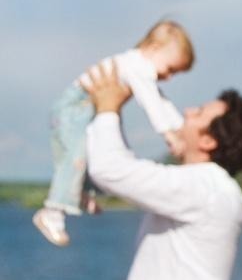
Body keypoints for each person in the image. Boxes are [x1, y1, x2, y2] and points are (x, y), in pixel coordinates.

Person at [82, 62, 242, 280]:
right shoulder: (213, 188)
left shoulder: (204, 186)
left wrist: (107, 109)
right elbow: (121, 169)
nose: (188, 111)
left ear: (207, 141)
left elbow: (110, 169)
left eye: (199, 113)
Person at [33, 20, 195, 247]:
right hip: (74, 107)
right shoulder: (138, 66)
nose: (168, 77)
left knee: (88, 153)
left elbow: (159, 100)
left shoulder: (136, 66)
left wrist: (180, 128)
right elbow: (152, 103)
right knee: (74, 159)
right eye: (170, 69)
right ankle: (52, 212)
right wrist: (170, 134)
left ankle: (79, 193)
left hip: (83, 107)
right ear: (154, 49)